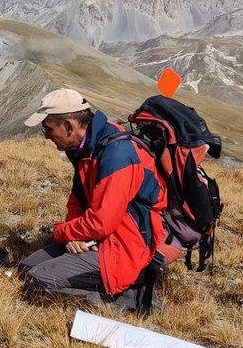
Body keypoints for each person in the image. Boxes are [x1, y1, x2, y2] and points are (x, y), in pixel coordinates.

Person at [18, 88, 166, 310]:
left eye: (47, 129)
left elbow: (101, 221)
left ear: (69, 126)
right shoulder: (85, 148)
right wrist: (73, 237)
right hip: (101, 236)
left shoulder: (116, 153)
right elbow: (78, 200)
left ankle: (125, 300)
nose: (46, 136)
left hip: (125, 245)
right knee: (25, 268)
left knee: (38, 279)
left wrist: (61, 232)